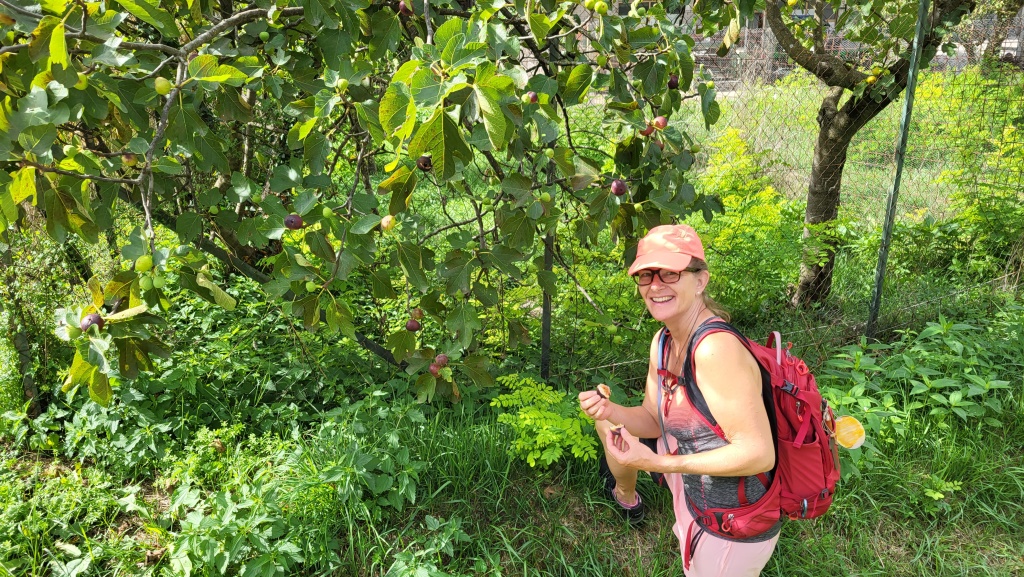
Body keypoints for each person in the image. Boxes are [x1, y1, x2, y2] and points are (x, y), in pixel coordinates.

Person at [578, 224, 780, 577]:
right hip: (693, 491)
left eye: (670, 273)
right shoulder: (663, 340)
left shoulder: (714, 349)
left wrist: (660, 464)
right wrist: (609, 409)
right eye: (646, 275)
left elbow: (759, 454)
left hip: (731, 521)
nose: (655, 285)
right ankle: (626, 495)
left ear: (700, 280)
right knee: (607, 423)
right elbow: (652, 419)